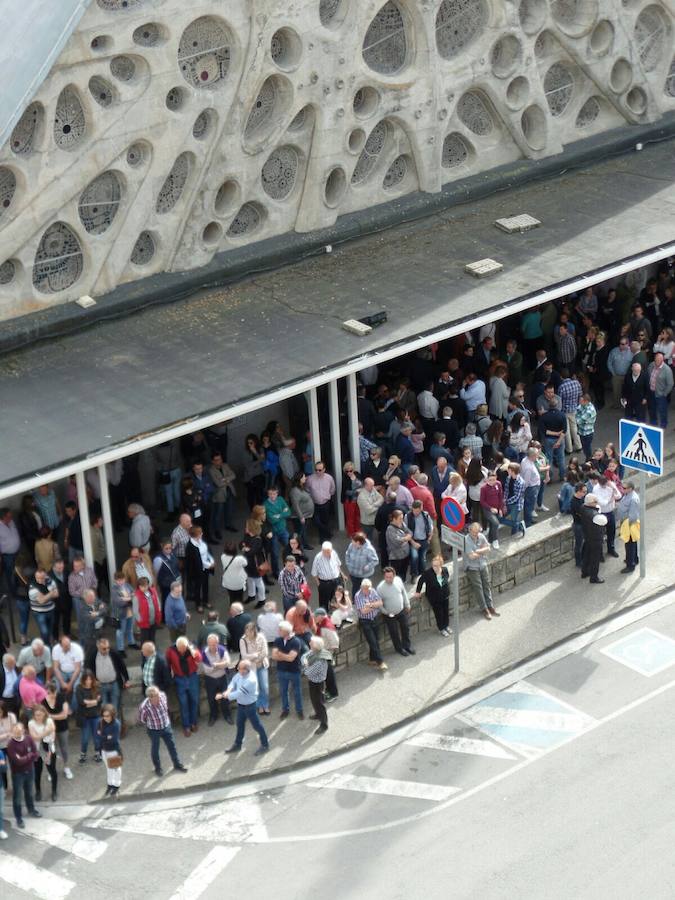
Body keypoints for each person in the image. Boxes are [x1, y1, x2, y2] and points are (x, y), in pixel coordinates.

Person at [218, 660, 269, 756]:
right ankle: (238, 745)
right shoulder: (239, 674)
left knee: (257, 726)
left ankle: (265, 745)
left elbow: (239, 693)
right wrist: (228, 690)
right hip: (241, 706)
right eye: (238, 668)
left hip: (250, 707)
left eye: (240, 668)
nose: (238, 670)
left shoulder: (251, 680)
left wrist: (224, 696)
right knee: (239, 724)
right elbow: (233, 682)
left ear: (246, 670)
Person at [137, 686, 188, 777]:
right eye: (155, 696)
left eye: (157, 695)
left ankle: (177, 764)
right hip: (153, 730)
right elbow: (142, 720)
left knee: (172, 746)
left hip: (166, 726)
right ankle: (158, 768)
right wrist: (152, 723)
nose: (158, 698)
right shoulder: (144, 707)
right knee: (155, 749)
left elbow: (166, 708)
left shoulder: (163, 696)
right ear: (150, 697)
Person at [6, 722, 41, 829]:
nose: (18, 731)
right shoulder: (11, 745)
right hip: (18, 774)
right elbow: (18, 762)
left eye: (20, 729)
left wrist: (26, 757)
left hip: (30, 770)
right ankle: (18, 818)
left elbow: (36, 753)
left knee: (29, 793)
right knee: (17, 797)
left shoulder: (29, 739)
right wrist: (29, 756)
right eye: (15, 729)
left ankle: (31, 810)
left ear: (23, 730)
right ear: (12, 731)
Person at [166, 637, 202, 737]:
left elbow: (199, 659)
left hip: (192, 677)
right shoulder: (170, 651)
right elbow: (167, 664)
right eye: (180, 649)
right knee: (183, 703)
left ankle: (193, 723)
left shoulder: (191, 648)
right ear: (176, 647)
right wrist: (169, 677)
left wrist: (192, 651)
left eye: (184, 648)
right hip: (179, 678)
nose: (182, 651)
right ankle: (186, 726)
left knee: (194, 700)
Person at [376, 567, 414, 657]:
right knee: (394, 632)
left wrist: (407, 604)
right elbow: (379, 603)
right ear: (384, 577)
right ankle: (399, 648)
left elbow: (403, 592)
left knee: (405, 628)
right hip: (389, 614)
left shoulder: (398, 581)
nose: (388, 579)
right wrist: (385, 612)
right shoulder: (380, 588)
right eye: (386, 577)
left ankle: (407, 646)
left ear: (394, 575)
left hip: (401, 610)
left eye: (390, 577)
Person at [464, 522, 499, 620]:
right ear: (470, 530)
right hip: (472, 567)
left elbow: (488, 548)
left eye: (477, 532)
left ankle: (490, 606)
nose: (476, 534)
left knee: (486, 585)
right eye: (474, 532)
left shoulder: (481, 536)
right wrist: (482, 551)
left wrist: (478, 551)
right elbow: (471, 556)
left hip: (482, 564)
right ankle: (484, 609)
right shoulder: (466, 540)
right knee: (478, 588)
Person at [271, 621, 304, 719]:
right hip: (281, 671)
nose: (278, 631)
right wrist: (285, 656)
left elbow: (291, 658)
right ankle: (285, 709)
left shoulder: (296, 641)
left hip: (294, 671)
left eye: (280, 630)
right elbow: (273, 656)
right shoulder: (278, 640)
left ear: (286, 631)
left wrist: (280, 654)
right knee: (283, 691)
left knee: (297, 692)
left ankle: (299, 710)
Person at [353, 579, 387, 671]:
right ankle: (380, 662)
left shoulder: (373, 591)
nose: (368, 591)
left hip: (374, 619)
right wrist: (374, 605)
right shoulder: (357, 596)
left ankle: (372, 659)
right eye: (366, 589)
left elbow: (380, 602)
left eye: (369, 589)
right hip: (365, 621)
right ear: (362, 588)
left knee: (376, 639)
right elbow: (363, 611)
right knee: (373, 642)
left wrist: (370, 605)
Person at [301, 636, 332, 735]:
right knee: (314, 700)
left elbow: (308, 672)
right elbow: (304, 656)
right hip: (313, 681)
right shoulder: (314, 652)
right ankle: (318, 714)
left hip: (318, 684)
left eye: (311, 643)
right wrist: (305, 662)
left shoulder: (320, 660)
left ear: (316, 646)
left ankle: (324, 724)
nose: (309, 643)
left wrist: (305, 666)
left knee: (319, 703)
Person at [414, 555, 451, 636]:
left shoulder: (444, 570)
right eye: (434, 565)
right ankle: (441, 628)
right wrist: (418, 591)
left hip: (444, 594)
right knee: (439, 613)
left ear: (441, 565)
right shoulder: (428, 573)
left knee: (446, 611)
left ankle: (446, 625)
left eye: (437, 565)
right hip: (434, 597)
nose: (435, 567)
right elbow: (420, 581)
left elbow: (446, 578)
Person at [43, 681, 72, 781]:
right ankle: (51, 771)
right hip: (49, 729)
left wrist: (51, 716)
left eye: (54, 692)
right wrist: (55, 717)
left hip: (62, 727)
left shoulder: (61, 696)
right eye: (50, 693)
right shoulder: (43, 700)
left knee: (64, 748)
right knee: (50, 750)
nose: (53, 695)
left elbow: (64, 715)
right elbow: (43, 716)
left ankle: (66, 767)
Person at [201, 633, 232, 726]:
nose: (213, 646)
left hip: (222, 677)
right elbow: (207, 670)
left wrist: (215, 665)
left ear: (217, 643)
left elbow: (228, 663)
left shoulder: (222, 650)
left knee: (225, 697)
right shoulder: (204, 653)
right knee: (211, 699)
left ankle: (227, 715)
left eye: (214, 644)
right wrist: (220, 665)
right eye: (211, 644)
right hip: (210, 679)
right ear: (208, 644)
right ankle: (213, 716)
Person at [239, 621, 270, 715]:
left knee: (264, 686)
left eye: (250, 631)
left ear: (254, 631)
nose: (247, 633)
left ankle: (265, 705)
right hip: (251, 667)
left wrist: (256, 658)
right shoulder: (242, 640)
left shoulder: (261, 637)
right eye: (246, 631)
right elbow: (244, 656)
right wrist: (255, 655)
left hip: (262, 664)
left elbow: (265, 652)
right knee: (255, 687)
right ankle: (260, 706)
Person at [28, 705, 57, 803]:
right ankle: (38, 791)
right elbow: (34, 737)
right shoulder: (31, 723)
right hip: (36, 750)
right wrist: (46, 732)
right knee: (37, 772)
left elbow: (52, 734)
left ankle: (54, 791)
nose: (38, 717)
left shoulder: (49, 720)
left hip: (48, 750)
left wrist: (42, 735)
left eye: (40, 715)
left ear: (44, 713)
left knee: (52, 771)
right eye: (36, 715)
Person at [184, 525, 214, 613]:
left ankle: (205, 601)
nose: (202, 534)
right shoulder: (190, 547)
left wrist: (211, 561)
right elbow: (197, 561)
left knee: (205, 585)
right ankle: (198, 604)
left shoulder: (202, 542)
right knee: (197, 587)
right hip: (197, 570)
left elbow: (208, 552)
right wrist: (209, 565)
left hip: (205, 568)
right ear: (195, 535)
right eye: (200, 533)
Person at [263, 487, 292, 577]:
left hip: (283, 529)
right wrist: (282, 513)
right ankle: (276, 572)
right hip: (273, 532)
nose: (272, 496)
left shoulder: (281, 499)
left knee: (289, 549)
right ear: (268, 494)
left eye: (274, 493)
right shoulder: (265, 505)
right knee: (274, 554)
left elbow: (289, 512)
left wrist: (278, 515)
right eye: (270, 494)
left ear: (277, 493)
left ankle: (289, 568)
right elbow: (271, 520)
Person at [52, 635, 83, 718]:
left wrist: (70, 684)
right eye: (66, 646)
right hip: (62, 671)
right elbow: (55, 667)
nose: (68, 647)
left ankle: (72, 710)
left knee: (77, 687)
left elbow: (78, 669)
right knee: (55, 687)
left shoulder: (77, 649)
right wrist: (62, 682)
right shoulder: (56, 649)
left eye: (69, 644)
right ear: (60, 646)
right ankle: (58, 708)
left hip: (75, 671)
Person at [305, 461, 336, 542]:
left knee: (325, 520)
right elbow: (307, 489)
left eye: (320, 470)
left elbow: (332, 490)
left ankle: (325, 537)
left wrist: (327, 496)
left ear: (324, 469)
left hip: (326, 503)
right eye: (316, 470)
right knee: (317, 522)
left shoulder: (329, 478)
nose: (317, 472)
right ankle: (327, 533)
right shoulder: (310, 478)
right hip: (314, 504)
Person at [97, 704, 122, 798]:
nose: (105, 718)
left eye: (107, 716)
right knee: (108, 768)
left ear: (112, 715)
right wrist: (106, 737)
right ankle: (110, 784)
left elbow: (113, 739)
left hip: (113, 750)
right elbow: (98, 735)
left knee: (116, 769)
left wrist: (103, 736)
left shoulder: (116, 724)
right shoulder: (100, 722)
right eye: (104, 715)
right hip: (104, 750)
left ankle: (116, 785)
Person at [76, 670, 102, 764]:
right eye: (86, 679)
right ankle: (83, 753)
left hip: (95, 716)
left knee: (97, 737)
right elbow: (81, 703)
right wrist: (94, 702)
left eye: (90, 679)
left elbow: (100, 701)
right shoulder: (79, 688)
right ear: (83, 679)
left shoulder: (97, 687)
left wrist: (88, 702)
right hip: (85, 717)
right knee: (85, 738)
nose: (88, 681)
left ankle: (97, 753)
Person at [27, 568, 58, 644]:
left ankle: (48, 644)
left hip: (50, 610)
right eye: (37, 578)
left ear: (46, 575)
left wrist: (45, 596)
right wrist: (51, 593)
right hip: (39, 613)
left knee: (50, 630)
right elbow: (41, 601)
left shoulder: (50, 581)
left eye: (42, 578)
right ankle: (47, 646)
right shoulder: (33, 587)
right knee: (44, 632)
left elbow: (57, 594)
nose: (40, 580)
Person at [385, 509, 417, 581]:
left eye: (402, 518)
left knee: (404, 572)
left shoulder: (401, 524)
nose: (402, 520)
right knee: (397, 575)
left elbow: (409, 532)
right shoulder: (390, 529)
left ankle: (403, 583)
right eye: (400, 519)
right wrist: (406, 538)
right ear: (394, 519)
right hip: (396, 557)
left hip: (405, 554)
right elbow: (397, 541)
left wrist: (407, 536)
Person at [345, 531, 380, 595]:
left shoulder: (369, 549)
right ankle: (355, 603)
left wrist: (367, 567)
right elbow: (347, 554)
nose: (351, 542)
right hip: (354, 574)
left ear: (358, 542)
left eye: (353, 541)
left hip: (365, 575)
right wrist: (348, 564)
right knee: (355, 589)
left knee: (365, 591)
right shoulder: (351, 546)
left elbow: (375, 560)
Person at [311, 541, 344, 608]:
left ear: (331, 550)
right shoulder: (318, 558)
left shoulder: (334, 553)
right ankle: (324, 615)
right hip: (325, 583)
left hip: (336, 580)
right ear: (322, 550)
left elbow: (338, 565)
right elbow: (314, 573)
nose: (327, 553)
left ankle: (334, 612)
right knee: (324, 602)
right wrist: (319, 584)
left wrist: (342, 574)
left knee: (337, 599)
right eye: (325, 551)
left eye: (329, 551)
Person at [580, 495, 604, 584]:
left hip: (587, 536)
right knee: (595, 558)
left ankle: (584, 572)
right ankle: (594, 577)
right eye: (595, 502)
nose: (597, 503)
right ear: (591, 503)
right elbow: (600, 525)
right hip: (595, 538)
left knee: (587, 555)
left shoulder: (583, 507)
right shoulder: (594, 515)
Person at [111, 571, 136, 655]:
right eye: (118, 580)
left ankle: (131, 643)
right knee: (120, 631)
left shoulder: (127, 585)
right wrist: (129, 599)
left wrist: (125, 599)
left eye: (122, 580)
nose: (120, 582)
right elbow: (118, 602)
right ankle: (120, 648)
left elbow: (134, 594)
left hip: (130, 611)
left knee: (130, 629)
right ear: (115, 580)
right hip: (120, 613)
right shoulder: (114, 589)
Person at [617, 481, 640, 574]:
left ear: (630, 488)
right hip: (627, 523)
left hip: (629, 525)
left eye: (625, 488)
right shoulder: (628, 495)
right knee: (632, 543)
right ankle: (634, 559)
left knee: (629, 544)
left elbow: (633, 516)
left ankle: (630, 565)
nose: (623, 489)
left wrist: (625, 526)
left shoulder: (633, 499)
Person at [647, 351, 674, 428]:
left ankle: (663, 424)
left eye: (659, 360)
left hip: (660, 394)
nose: (657, 362)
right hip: (651, 392)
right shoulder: (651, 365)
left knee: (662, 410)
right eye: (656, 360)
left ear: (662, 360)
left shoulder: (667, 370)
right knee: (652, 409)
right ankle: (653, 422)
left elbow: (670, 384)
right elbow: (648, 375)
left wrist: (664, 394)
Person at [153, 540, 181, 612]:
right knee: (167, 601)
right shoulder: (158, 559)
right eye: (166, 548)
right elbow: (156, 573)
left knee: (176, 599)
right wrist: (156, 585)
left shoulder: (173, 555)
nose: (169, 550)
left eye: (170, 548)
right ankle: (165, 618)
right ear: (162, 548)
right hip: (165, 584)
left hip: (175, 582)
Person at [76, 588, 107, 653]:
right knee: (90, 651)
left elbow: (105, 608)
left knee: (100, 648)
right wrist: (100, 613)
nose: (94, 598)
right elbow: (95, 620)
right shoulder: (82, 608)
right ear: (86, 598)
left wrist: (97, 613)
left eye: (94, 596)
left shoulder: (95, 600)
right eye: (92, 597)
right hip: (89, 634)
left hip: (99, 632)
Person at [480, 470, 505, 548]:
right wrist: (490, 508)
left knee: (492, 525)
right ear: (487, 479)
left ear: (496, 478)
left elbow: (501, 497)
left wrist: (500, 509)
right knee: (496, 523)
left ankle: (490, 541)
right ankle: (495, 540)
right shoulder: (483, 488)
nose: (492, 482)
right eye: (490, 480)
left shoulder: (498, 484)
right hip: (488, 510)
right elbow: (482, 501)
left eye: (494, 479)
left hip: (497, 509)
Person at [133, 576, 162, 644]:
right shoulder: (136, 596)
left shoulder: (153, 591)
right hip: (144, 623)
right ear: (139, 586)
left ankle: (152, 652)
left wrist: (159, 611)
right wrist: (140, 620)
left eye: (145, 586)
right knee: (144, 640)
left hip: (153, 620)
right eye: (142, 586)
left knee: (152, 638)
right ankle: (145, 653)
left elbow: (158, 602)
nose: (144, 588)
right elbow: (135, 611)